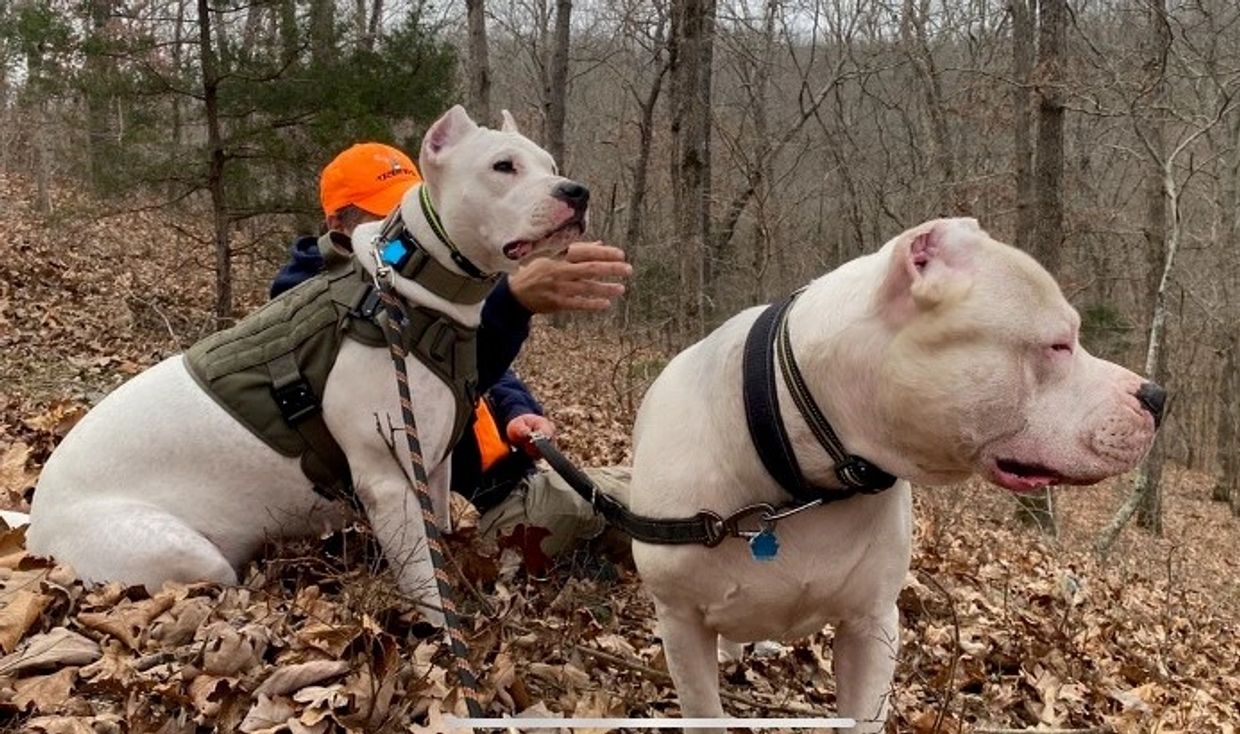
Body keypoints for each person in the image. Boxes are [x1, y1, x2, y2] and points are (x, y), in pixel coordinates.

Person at [271, 142, 632, 567]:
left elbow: (479, 368)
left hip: (515, 480)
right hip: (475, 515)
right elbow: (429, 387)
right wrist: (512, 302)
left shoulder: (427, 280)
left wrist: (517, 410)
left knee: (660, 493)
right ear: (337, 224)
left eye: (412, 208)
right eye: (387, 216)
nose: (404, 229)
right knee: (664, 507)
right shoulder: (323, 309)